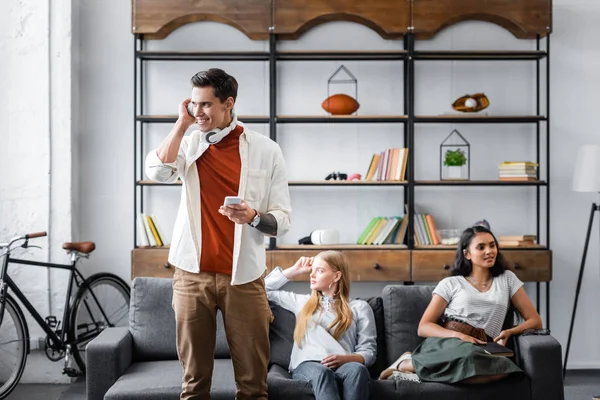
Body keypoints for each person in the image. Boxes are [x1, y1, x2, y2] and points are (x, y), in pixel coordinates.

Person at [145, 68, 292, 400]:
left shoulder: (266, 151)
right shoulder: (191, 143)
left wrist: (253, 216)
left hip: (245, 278)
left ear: (229, 104)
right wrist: (182, 125)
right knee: (194, 384)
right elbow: (156, 171)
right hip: (191, 275)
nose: (199, 112)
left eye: (206, 105)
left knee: (254, 386)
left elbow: (282, 221)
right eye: (194, 104)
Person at [381, 224, 543, 384]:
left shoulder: (507, 279)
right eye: (481, 247)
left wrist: (510, 331)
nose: (489, 251)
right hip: (449, 341)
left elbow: (535, 321)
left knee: (503, 370)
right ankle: (406, 363)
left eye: (492, 245)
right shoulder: (451, 283)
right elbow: (424, 327)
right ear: (467, 254)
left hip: (482, 347)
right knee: (470, 359)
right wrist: (460, 336)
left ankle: (413, 369)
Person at [265, 251, 377, 400]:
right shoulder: (302, 303)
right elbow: (261, 289)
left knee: (358, 370)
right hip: (308, 365)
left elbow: (368, 352)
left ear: (337, 276)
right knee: (323, 373)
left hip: (345, 364)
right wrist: (294, 271)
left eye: (319, 270)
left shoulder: (359, 307)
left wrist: (345, 359)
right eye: (312, 270)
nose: (311, 275)